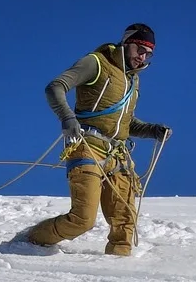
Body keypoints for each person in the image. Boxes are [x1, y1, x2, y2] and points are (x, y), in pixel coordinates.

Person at [22, 23, 171, 256]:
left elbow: (125, 123)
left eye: (148, 53)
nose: (143, 56)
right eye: (139, 48)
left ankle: (117, 268)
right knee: (82, 220)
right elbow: (55, 87)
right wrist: (67, 118)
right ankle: (31, 241)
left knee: (125, 224)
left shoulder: (133, 80)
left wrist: (152, 131)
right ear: (126, 43)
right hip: (87, 148)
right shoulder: (97, 62)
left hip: (119, 155)